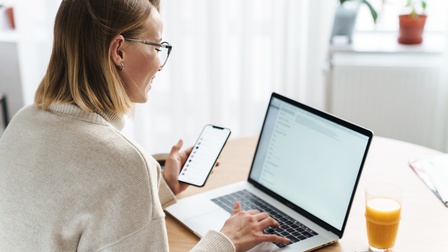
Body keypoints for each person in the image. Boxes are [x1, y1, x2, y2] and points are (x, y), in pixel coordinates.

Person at [0, 0, 290, 251]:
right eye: (157, 46)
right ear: (119, 51)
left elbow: (75, 212)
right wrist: (226, 240)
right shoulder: (124, 163)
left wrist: (163, 188)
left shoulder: (23, 122)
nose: (160, 64)